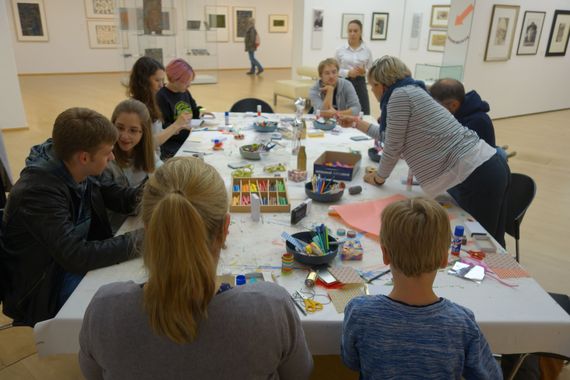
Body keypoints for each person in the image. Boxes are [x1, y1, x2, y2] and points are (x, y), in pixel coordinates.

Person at [78, 157, 313, 380]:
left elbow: (93, 374)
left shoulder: (105, 309)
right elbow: (299, 374)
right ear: (225, 229)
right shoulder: (270, 308)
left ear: (149, 230)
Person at [338, 56, 510, 247]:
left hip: (478, 174)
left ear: (382, 84)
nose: (372, 91)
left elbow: (393, 146)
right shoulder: (410, 90)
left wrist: (379, 178)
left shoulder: (398, 96)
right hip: (482, 169)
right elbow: (391, 136)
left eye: (373, 86)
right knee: (486, 242)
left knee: (484, 246)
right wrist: (356, 122)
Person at [1, 108, 143, 326]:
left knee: (135, 283)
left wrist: (155, 190)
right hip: (45, 286)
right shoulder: (38, 193)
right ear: (84, 157)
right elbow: (76, 255)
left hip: (66, 262)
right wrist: (144, 238)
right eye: (107, 153)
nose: (112, 157)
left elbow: (119, 198)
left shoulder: (76, 165)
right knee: (124, 308)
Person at [341, 197, 502, 379]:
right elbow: (491, 376)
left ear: (385, 255)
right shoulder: (462, 323)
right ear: (444, 259)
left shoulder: (359, 312)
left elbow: (351, 362)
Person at [102, 99, 156, 233]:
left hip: (138, 219)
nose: (124, 136)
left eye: (133, 130)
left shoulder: (146, 153)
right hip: (115, 228)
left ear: (143, 133)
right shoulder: (105, 159)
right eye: (119, 128)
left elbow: (160, 172)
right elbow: (112, 198)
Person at [429, 78, 514, 160]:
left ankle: (501, 154)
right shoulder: (460, 111)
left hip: (483, 160)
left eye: (437, 106)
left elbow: (462, 152)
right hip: (479, 153)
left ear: (454, 105)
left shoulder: (477, 121)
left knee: (498, 154)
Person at [128, 56, 192, 161]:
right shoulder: (135, 109)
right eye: (157, 80)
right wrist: (175, 126)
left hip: (156, 158)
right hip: (146, 165)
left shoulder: (151, 102)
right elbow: (147, 145)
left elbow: (156, 131)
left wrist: (178, 128)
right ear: (143, 81)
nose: (161, 85)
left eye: (162, 80)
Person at [156, 59, 213, 158]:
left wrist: (203, 111)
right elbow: (163, 128)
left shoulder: (184, 91)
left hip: (187, 140)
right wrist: (179, 124)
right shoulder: (161, 97)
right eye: (186, 82)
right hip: (172, 146)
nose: (189, 85)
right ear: (175, 79)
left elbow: (195, 109)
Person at [335, 19, 373, 115]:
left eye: (355, 31)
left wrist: (364, 71)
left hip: (360, 83)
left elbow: (372, 71)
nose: (352, 33)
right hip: (343, 82)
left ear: (360, 32)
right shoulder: (340, 50)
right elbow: (334, 70)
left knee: (364, 111)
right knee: (343, 111)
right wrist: (348, 73)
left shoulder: (367, 50)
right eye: (350, 31)